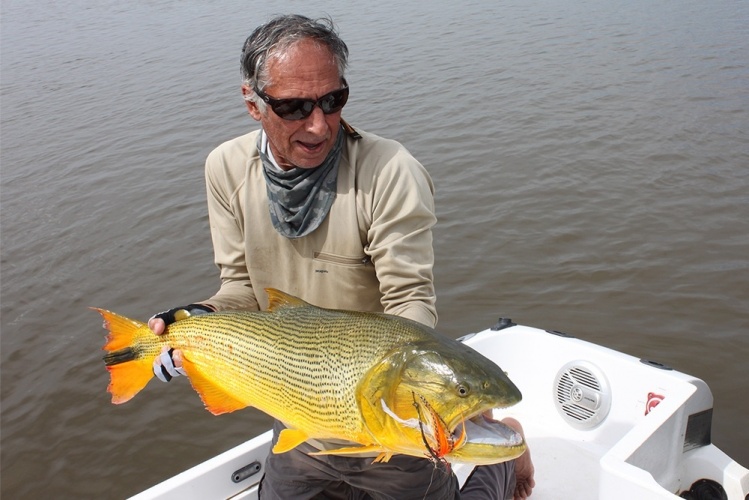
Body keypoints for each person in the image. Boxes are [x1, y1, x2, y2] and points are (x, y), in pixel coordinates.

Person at [149, 14, 534, 499]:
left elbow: (411, 300)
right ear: (253, 103)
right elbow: (240, 288)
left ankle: (506, 464)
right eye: (294, 107)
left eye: (333, 101)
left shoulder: (391, 172)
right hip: (300, 407)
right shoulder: (225, 168)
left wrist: (412, 401)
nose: (318, 124)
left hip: (388, 417)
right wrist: (195, 320)